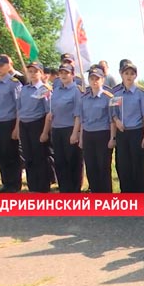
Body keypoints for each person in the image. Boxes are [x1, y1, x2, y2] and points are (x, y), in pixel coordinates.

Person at [111, 60, 144, 202]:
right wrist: (117, 121)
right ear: (121, 74)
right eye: (126, 73)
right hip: (122, 132)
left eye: (132, 73)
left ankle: (140, 199)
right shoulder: (116, 93)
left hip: (137, 132)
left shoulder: (141, 93)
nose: (129, 76)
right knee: (123, 166)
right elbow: (113, 112)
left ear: (135, 76)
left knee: (137, 167)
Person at [74, 68, 114, 193]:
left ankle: (106, 195)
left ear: (102, 80)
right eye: (92, 78)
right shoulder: (84, 97)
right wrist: (81, 138)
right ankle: (96, 193)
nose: (94, 81)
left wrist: (112, 138)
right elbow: (82, 119)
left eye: (97, 78)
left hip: (103, 134)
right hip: (88, 134)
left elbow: (112, 120)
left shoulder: (108, 97)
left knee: (103, 166)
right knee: (91, 166)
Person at [0, 54, 23, 192]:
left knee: (11, 154)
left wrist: (17, 128)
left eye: (1, 65)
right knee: (0, 154)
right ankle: (6, 183)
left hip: (9, 122)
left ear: (9, 66)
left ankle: (14, 184)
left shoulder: (14, 83)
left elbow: (19, 107)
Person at [17, 62, 54, 193]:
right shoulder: (24, 89)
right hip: (24, 125)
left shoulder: (44, 89)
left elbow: (48, 113)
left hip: (38, 124)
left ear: (41, 73)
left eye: (35, 71)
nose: (32, 74)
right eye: (30, 71)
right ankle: (33, 186)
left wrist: (45, 132)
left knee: (40, 157)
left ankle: (43, 187)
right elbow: (20, 109)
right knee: (28, 156)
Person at [46, 62, 83, 192]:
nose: (63, 75)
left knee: (73, 161)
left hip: (70, 128)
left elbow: (78, 114)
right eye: (61, 73)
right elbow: (53, 109)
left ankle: (74, 190)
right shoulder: (55, 91)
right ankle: (64, 189)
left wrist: (75, 133)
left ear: (72, 75)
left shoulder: (76, 91)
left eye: (66, 73)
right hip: (57, 129)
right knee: (60, 161)